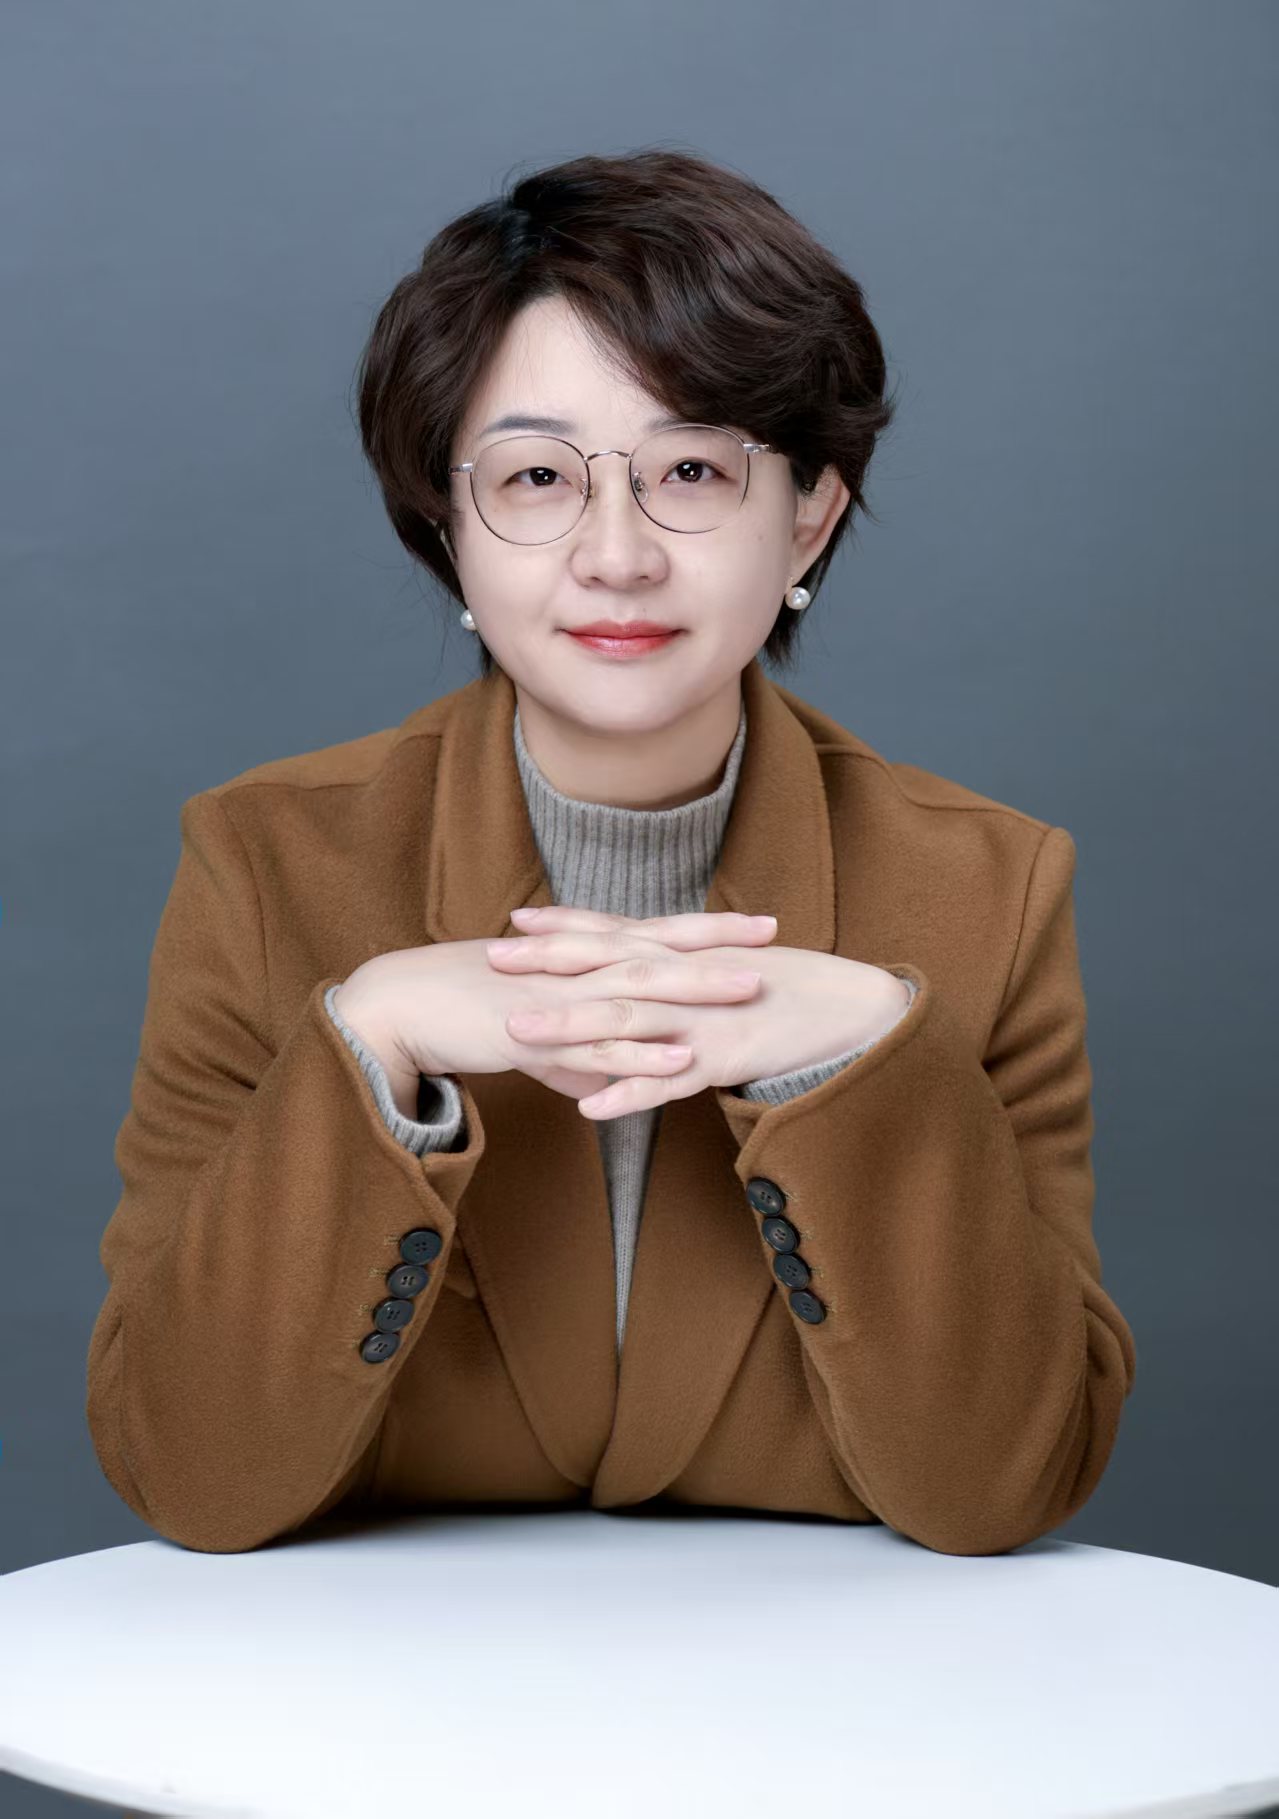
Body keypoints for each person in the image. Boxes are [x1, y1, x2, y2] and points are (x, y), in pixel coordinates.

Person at [86, 148, 1136, 1557]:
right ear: (446, 524)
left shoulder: (986, 890)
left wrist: (870, 1058)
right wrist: (372, 1041)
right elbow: (189, 1476)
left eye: (692, 468)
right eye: (537, 477)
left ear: (808, 516)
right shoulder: (267, 865)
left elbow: (1003, 1487)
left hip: (833, 1678)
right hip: (387, 1677)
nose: (617, 555)